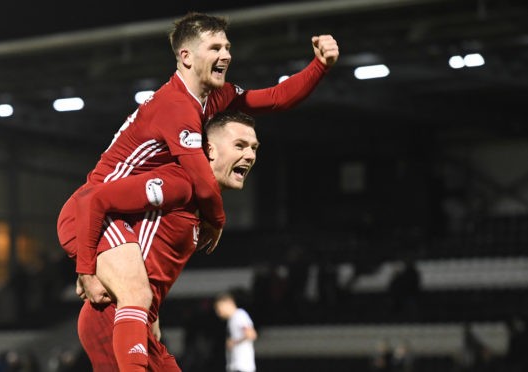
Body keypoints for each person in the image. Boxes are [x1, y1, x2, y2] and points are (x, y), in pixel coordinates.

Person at [57, 11, 339, 371]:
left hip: (114, 217)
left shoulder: (213, 99)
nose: (227, 55)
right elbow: (199, 179)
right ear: (186, 56)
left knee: (140, 299)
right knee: (136, 293)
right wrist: (216, 220)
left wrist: (319, 66)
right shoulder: (176, 109)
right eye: (215, 47)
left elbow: (274, 98)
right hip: (93, 211)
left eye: (228, 47)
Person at [70, 111, 260, 371]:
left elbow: (148, 255)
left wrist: (153, 312)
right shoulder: (178, 183)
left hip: (139, 323)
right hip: (113, 317)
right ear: (209, 150)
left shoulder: (198, 202)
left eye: (253, 148)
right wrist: (86, 270)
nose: (250, 155)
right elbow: (93, 199)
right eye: (239, 145)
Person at [214, 292, 258, 372]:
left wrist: (233, 342)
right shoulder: (232, 319)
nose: (218, 312)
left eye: (218, 307)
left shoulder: (239, 315)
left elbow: (251, 334)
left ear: (227, 303)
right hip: (236, 366)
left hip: (242, 366)